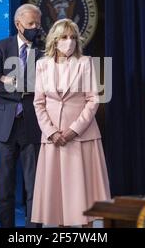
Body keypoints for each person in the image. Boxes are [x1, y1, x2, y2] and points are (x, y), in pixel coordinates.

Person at [31, 18, 111, 227]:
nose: (70, 42)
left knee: (85, 196)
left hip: (82, 137)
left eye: (73, 37)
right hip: (53, 139)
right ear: (54, 40)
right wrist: (51, 132)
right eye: (65, 37)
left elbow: (93, 99)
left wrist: (74, 130)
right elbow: (38, 103)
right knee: (59, 198)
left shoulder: (85, 63)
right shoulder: (42, 65)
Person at [0, 3, 44, 228]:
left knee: (35, 188)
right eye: (31, 24)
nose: (36, 28)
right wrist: (24, 87)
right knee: (5, 188)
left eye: (38, 24)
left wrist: (9, 80)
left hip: (33, 125)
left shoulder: (45, 51)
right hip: (4, 127)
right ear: (18, 24)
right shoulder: (1, 47)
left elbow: (43, 87)